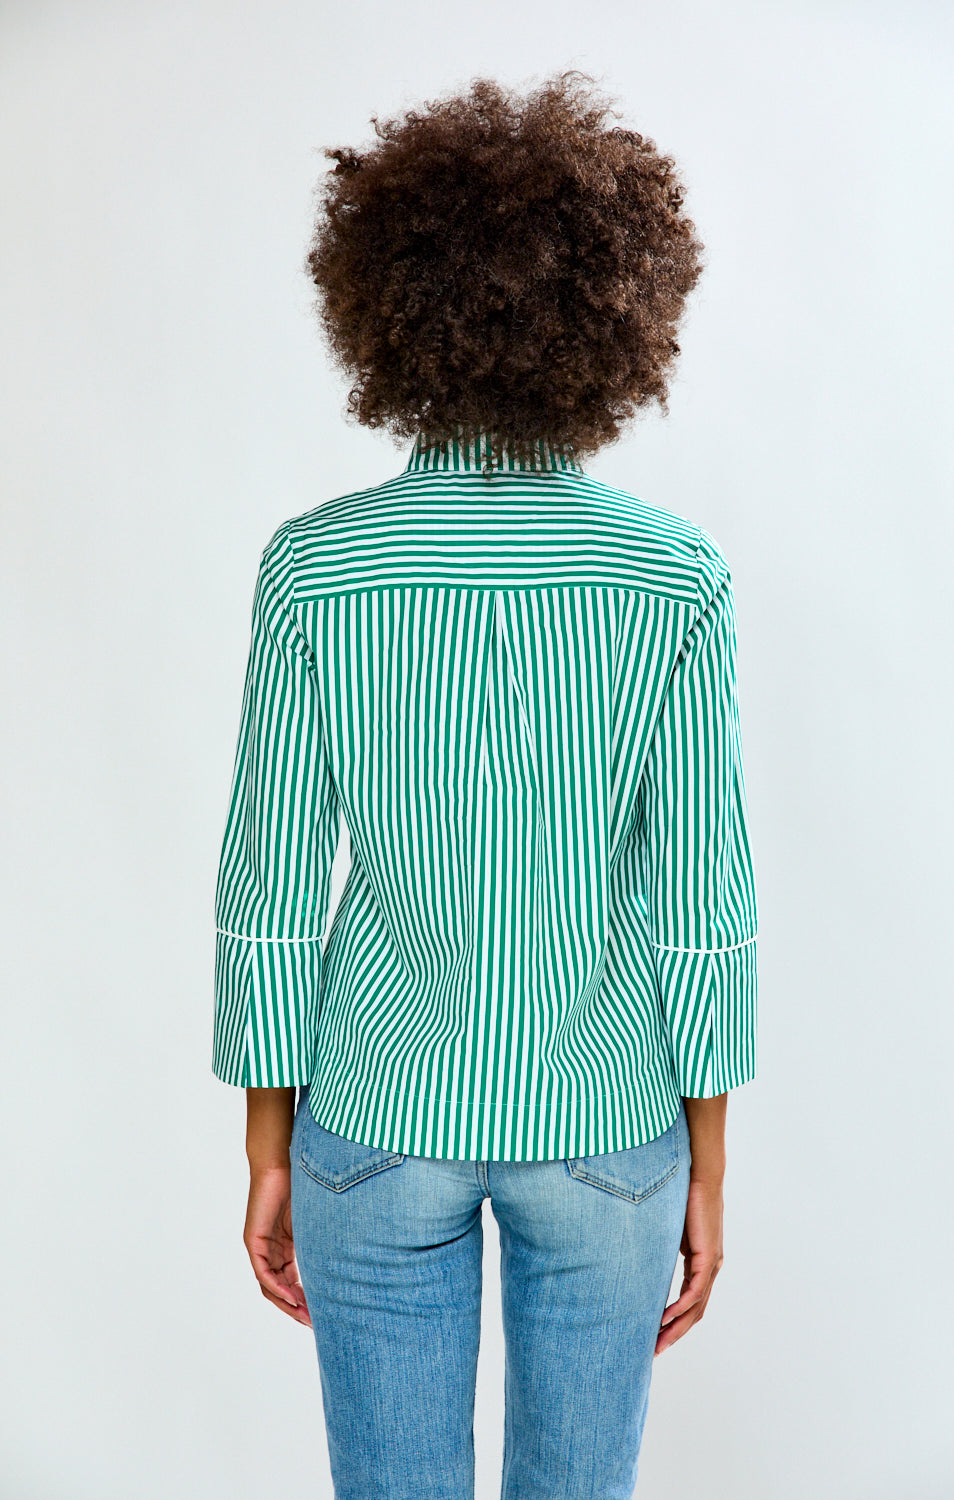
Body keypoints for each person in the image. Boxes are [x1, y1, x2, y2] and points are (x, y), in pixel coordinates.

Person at [212, 69, 758, 1500]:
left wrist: (267, 1146)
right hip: (610, 1129)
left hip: (372, 1124)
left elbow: (268, 888)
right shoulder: (673, 576)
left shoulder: (316, 567)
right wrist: (709, 1170)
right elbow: (707, 899)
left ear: (388, 309)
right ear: (617, 319)